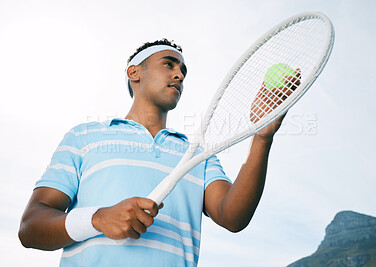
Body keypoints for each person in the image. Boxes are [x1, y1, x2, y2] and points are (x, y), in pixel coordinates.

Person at [19, 39, 298, 266]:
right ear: (134, 72)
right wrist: (98, 219)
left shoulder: (197, 155)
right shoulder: (84, 137)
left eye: (183, 71)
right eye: (169, 64)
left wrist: (262, 137)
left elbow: (232, 217)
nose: (179, 75)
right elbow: (31, 228)